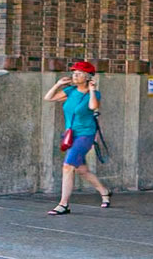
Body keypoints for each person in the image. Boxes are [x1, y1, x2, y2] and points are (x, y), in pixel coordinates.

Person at [45, 59, 110, 213]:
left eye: (79, 73)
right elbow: (48, 98)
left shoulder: (94, 94)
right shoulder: (70, 91)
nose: (75, 76)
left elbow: (93, 106)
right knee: (82, 170)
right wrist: (58, 84)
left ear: (88, 77)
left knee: (68, 166)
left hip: (85, 134)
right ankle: (104, 192)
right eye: (74, 73)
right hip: (70, 134)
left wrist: (93, 90)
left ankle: (63, 204)